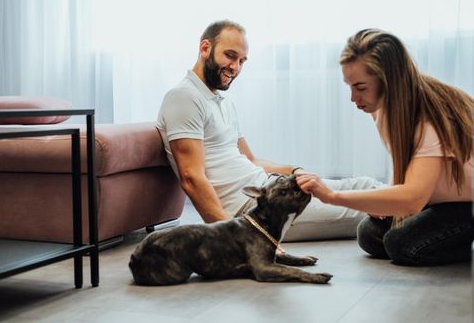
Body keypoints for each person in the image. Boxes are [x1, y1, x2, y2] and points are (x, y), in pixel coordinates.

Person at [157, 20, 384, 245]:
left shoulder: (221, 102)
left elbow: (251, 160)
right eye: (230, 55)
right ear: (205, 48)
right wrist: (234, 238)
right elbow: (192, 178)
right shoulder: (184, 97)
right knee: (366, 208)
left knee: (367, 186)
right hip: (253, 211)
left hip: (272, 189)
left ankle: (416, 201)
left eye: (242, 61)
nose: (235, 67)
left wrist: (293, 171)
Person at [296, 28, 474, 265]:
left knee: (400, 245)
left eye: (360, 88)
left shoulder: (428, 120)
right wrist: (385, 200)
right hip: (440, 202)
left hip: (465, 206)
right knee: (369, 234)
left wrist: (332, 196)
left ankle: (463, 243)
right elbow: (409, 167)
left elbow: (412, 199)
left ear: (389, 82)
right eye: (350, 87)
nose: (353, 98)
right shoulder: (383, 108)